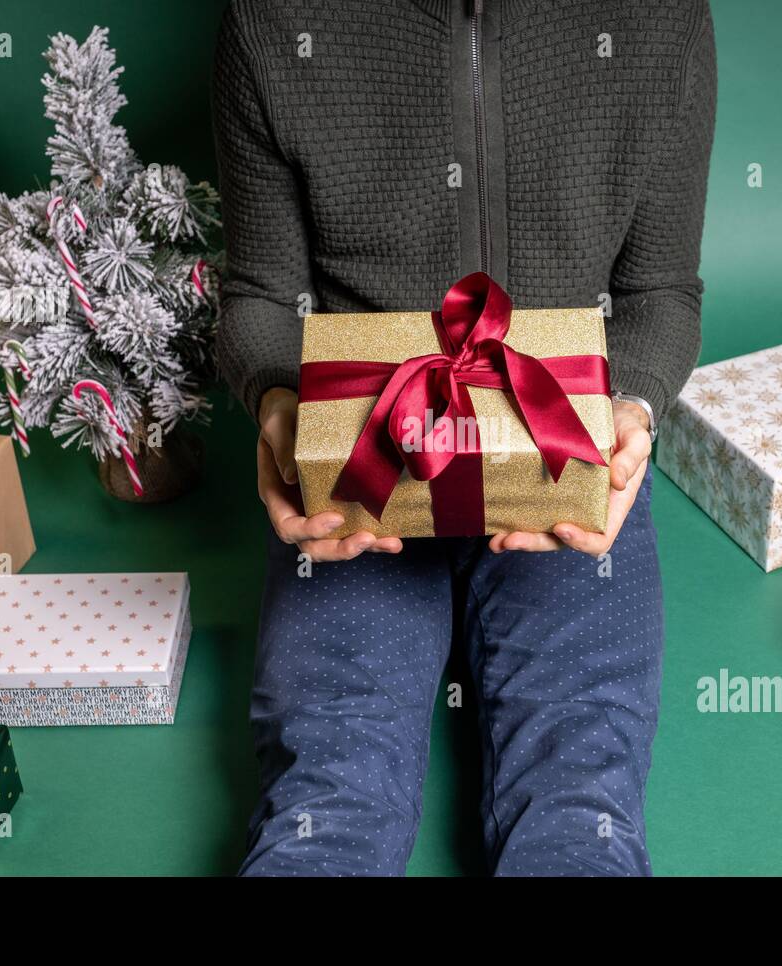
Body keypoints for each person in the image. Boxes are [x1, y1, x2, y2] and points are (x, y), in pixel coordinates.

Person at [212, 0, 716, 876]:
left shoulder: (660, 17)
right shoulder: (272, 18)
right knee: (328, 799)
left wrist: (627, 411)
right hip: (361, 479)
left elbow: (661, 292)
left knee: (579, 802)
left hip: (560, 460)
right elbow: (259, 296)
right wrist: (283, 408)